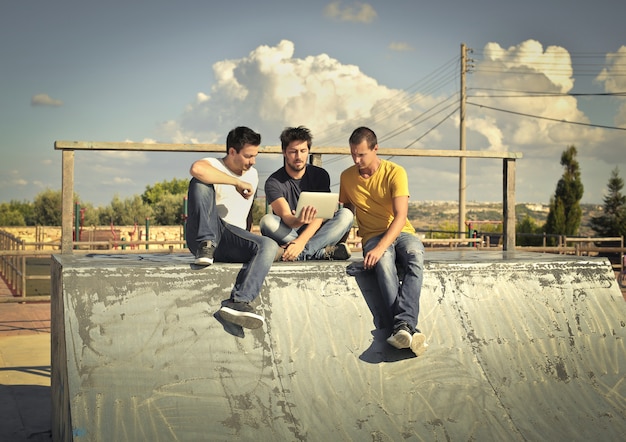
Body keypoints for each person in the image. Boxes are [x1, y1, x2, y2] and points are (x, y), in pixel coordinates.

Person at [339, 126, 427, 356]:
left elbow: (400, 217)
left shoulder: (395, 172)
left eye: (361, 154)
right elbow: (345, 213)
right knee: (385, 262)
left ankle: (401, 326)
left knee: (414, 255)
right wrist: (343, 244)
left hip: (402, 232)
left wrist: (379, 248)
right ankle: (406, 328)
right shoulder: (346, 177)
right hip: (372, 235)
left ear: (376, 149)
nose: (356, 160)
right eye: (353, 154)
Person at [186, 126, 279, 330]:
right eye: (248, 156)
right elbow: (196, 169)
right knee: (199, 182)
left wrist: (250, 241)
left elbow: (246, 214)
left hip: (230, 239)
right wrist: (234, 182)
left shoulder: (253, 174)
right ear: (232, 152)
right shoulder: (213, 164)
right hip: (203, 235)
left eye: (255, 156)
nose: (252, 161)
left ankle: (239, 301)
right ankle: (206, 243)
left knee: (270, 246)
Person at [260, 126, 353, 261]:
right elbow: (286, 217)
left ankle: (299, 254)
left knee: (346, 215)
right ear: (284, 152)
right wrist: (298, 220)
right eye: (293, 152)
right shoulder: (273, 182)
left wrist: (301, 243)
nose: (299, 157)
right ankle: (319, 253)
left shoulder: (320, 175)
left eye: (303, 151)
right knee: (267, 221)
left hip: (317, 232)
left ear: (308, 151)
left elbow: (320, 217)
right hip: (290, 232)